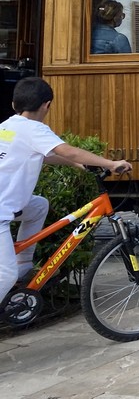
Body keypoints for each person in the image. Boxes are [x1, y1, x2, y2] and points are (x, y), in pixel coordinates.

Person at [0, 77, 132, 307]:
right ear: (47, 105)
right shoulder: (34, 129)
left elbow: (45, 154)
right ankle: (15, 271)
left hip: (8, 205)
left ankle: (24, 264)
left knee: (39, 205)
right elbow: (66, 150)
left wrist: (75, 164)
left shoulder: (7, 127)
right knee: (5, 274)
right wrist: (110, 163)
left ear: (14, 104)